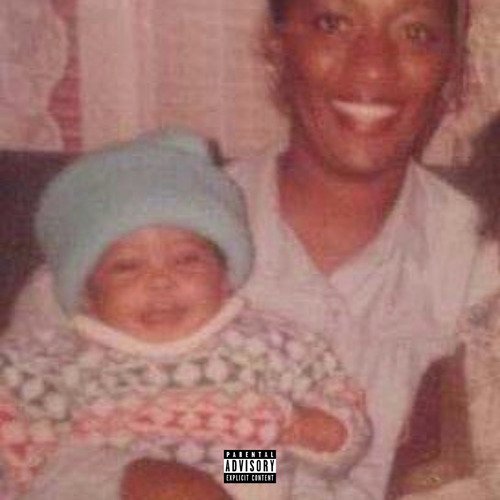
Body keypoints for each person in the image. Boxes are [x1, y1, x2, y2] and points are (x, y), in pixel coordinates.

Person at [6, 0, 500, 498]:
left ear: (453, 70)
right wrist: (137, 478)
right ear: (276, 45)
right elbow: (21, 445)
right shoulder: (140, 238)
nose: (373, 65)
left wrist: (247, 471)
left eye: (416, 34)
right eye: (333, 23)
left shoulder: (478, 265)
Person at [0, 131, 371, 499]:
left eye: (186, 260)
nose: (161, 281)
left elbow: (334, 404)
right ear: (87, 295)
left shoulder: (267, 348)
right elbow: (29, 461)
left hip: (238, 472)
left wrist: (325, 432)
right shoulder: (62, 363)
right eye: (127, 266)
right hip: (111, 477)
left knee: (266, 468)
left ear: (224, 277)